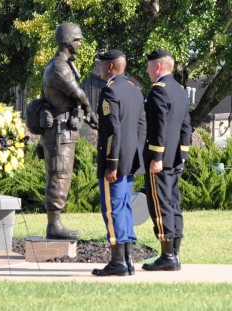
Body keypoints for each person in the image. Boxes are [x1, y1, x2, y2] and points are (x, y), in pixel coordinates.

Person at [41, 22, 98, 240]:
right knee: (59, 174)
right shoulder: (59, 66)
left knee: (61, 174)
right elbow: (78, 93)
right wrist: (88, 110)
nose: (80, 44)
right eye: (77, 40)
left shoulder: (63, 63)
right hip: (59, 131)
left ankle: (55, 223)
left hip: (64, 129)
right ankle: (54, 226)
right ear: (67, 41)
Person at [91, 50, 146, 276]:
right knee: (124, 207)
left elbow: (112, 130)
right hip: (131, 160)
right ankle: (128, 259)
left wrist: (112, 162)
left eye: (103, 65)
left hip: (115, 161)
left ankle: (118, 262)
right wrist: (136, 155)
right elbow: (142, 127)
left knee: (113, 209)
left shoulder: (109, 91)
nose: (100, 69)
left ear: (111, 67)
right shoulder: (134, 90)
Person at [142, 49, 192, 271]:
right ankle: (175, 254)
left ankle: (167, 257)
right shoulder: (180, 90)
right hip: (175, 160)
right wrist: (183, 154)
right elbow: (186, 126)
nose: (147, 70)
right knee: (173, 204)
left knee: (160, 205)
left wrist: (157, 157)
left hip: (161, 161)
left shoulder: (158, 91)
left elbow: (158, 127)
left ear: (158, 67)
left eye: (149, 66)